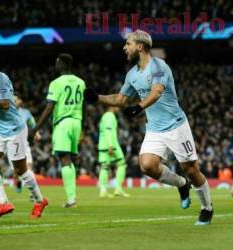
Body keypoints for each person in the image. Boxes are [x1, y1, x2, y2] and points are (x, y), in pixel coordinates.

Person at [84, 30, 213, 225]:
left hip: (176, 126)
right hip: (154, 129)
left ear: (140, 46)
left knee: (191, 169)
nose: (124, 47)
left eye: (128, 43)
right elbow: (120, 99)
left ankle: (206, 208)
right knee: (147, 165)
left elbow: (157, 91)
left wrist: (139, 107)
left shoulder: (159, 66)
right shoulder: (132, 74)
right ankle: (182, 184)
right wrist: (97, 98)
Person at [0, 51, 48, 218]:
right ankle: (4, 204)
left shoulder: (1, 79)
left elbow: (5, 104)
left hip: (14, 130)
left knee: (20, 170)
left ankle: (40, 200)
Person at [30, 53, 85, 208]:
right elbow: (84, 106)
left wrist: (35, 128)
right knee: (69, 159)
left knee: (64, 159)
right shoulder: (81, 82)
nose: (56, 65)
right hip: (77, 122)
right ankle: (72, 197)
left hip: (63, 123)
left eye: (57, 62)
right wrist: (84, 127)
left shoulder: (56, 83)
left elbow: (50, 107)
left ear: (61, 63)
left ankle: (71, 199)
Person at [10, 92, 41, 193]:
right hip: (11, 145)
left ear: (20, 101)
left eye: (15, 100)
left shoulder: (26, 113)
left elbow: (33, 124)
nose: (13, 103)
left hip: (24, 144)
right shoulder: (7, 112)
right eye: (12, 101)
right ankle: (18, 181)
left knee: (29, 168)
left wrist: (36, 133)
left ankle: (33, 193)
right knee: (16, 171)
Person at [98, 107, 130, 198]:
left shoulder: (105, 116)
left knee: (104, 166)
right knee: (122, 164)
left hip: (102, 143)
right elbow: (108, 130)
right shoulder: (110, 116)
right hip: (111, 144)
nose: (118, 107)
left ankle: (103, 190)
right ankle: (118, 189)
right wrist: (110, 145)